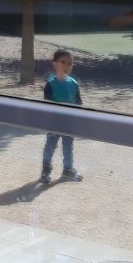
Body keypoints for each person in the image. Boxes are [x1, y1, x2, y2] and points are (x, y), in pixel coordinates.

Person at [40, 49, 83, 184]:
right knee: (50, 145)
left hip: (69, 122)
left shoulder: (74, 84)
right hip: (54, 122)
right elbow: (47, 105)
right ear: (55, 64)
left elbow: (78, 103)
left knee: (68, 146)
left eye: (69, 63)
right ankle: (46, 170)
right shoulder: (50, 84)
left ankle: (68, 169)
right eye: (63, 62)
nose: (66, 66)